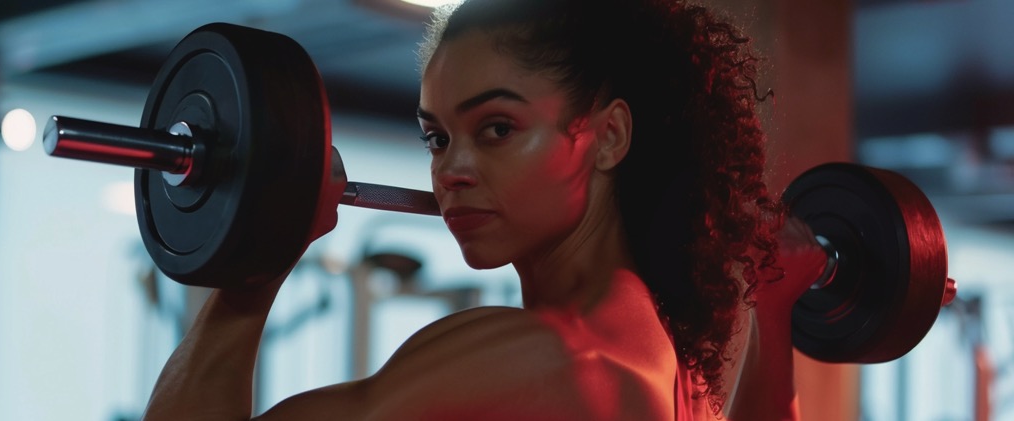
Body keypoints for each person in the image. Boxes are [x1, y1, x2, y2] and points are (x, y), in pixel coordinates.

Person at [142, 0, 828, 419]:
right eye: (437, 138)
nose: (451, 171)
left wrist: (262, 256)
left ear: (608, 136)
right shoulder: (675, 377)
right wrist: (771, 312)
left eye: (496, 128)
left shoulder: (539, 359)